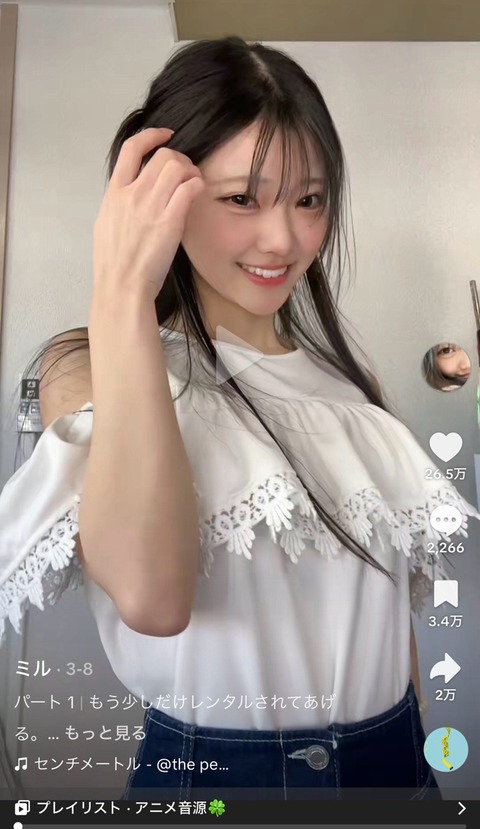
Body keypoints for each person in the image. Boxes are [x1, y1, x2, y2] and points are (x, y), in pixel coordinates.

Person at [1, 36, 479, 802]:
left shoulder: (351, 397)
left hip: (398, 774)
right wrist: (121, 286)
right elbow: (154, 599)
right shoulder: (90, 365)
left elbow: (391, 630)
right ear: (163, 195)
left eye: (309, 200)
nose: (283, 239)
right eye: (241, 199)